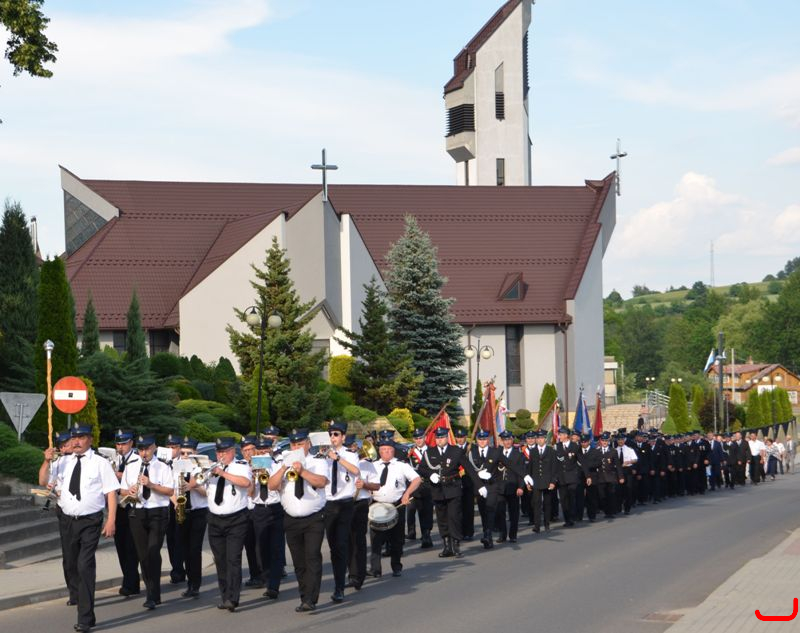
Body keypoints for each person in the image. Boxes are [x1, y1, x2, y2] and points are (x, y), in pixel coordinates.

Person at [57, 423, 119, 632]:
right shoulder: (63, 462)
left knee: (85, 565)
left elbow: (111, 493)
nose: (76, 441)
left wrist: (111, 520)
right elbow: (43, 480)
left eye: (81, 437)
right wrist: (47, 461)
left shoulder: (100, 463)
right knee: (71, 564)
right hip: (68, 520)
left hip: (90, 521)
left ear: (90, 440)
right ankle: (82, 605)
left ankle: (85, 617)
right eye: (74, 438)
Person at [268, 428, 329, 613]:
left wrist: (301, 471)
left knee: (312, 556)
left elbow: (321, 482)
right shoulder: (282, 463)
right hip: (291, 519)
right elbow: (271, 485)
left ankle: (311, 599)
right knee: (298, 561)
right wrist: (283, 468)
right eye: (294, 444)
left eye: (300, 444)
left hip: (314, 518)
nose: (296, 448)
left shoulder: (317, 461)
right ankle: (304, 596)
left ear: (308, 444)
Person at [121, 434, 174, 610]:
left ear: (154, 448)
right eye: (141, 449)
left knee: (153, 551)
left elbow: (169, 491)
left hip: (157, 512)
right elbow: (121, 490)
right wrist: (129, 490)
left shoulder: (163, 466)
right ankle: (151, 592)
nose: (144, 453)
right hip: (137, 511)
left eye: (147, 449)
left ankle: (153, 594)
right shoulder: (131, 466)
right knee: (143, 554)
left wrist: (151, 485)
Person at [206, 436, 253, 612]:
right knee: (220, 560)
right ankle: (225, 595)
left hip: (236, 519)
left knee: (233, 559)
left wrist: (222, 473)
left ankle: (233, 598)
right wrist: (202, 474)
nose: (221, 455)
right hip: (214, 519)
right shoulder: (211, 468)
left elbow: (246, 483)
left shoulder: (241, 466)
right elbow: (195, 484)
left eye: (225, 452)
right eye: (219, 452)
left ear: (233, 451)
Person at [418, 427, 479, 558]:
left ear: (447, 437)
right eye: (438, 438)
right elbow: (421, 468)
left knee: (454, 517)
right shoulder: (429, 452)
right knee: (442, 519)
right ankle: (447, 546)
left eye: (442, 437)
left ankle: (456, 545)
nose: (440, 440)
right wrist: (430, 474)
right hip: (437, 490)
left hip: (453, 488)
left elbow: (469, 469)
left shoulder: (456, 451)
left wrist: (480, 486)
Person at [368, 438, 421, 577]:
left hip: (397, 505)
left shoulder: (401, 465)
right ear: (379, 451)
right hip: (377, 505)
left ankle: (396, 566)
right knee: (375, 539)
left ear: (393, 451)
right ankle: (375, 569)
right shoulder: (372, 465)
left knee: (396, 538)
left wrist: (407, 494)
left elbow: (416, 479)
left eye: (389, 449)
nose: (386, 452)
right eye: (383, 449)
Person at [323, 420, 361, 603]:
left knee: (341, 545)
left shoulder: (350, 454)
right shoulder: (322, 455)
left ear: (343, 437)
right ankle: (340, 576)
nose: (333, 437)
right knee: (333, 547)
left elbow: (355, 471)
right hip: (327, 504)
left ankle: (339, 587)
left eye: (336, 434)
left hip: (345, 504)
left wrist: (337, 458)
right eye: (330, 434)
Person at [40, 431, 78, 605]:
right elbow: (43, 481)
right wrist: (46, 461)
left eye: (66, 444)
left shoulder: (89, 461)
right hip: (64, 512)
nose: (63, 449)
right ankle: (74, 593)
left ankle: (84, 590)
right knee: (68, 556)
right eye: (61, 446)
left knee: (83, 558)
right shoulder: (58, 463)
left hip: (84, 513)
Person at [249, 437, 284, 601]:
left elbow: (279, 486)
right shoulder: (251, 467)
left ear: (270, 450)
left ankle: (273, 586)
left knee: (276, 548)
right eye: (260, 450)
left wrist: (268, 473)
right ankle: (266, 576)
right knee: (261, 548)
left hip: (276, 508)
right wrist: (252, 477)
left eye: (265, 449)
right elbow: (249, 493)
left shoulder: (277, 465)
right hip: (259, 509)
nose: (263, 452)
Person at [175, 437, 208, 598]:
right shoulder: (176, 467)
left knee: (194, 549)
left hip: (198, 512)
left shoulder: (201, 468)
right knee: (184, 549)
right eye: (183, 453)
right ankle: (190, 582)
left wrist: (192, 486)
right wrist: (176, 502)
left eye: (189, 453)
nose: (186, 456)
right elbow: (171, 490)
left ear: (195, 452)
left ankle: (195, 584)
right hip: (182, 511)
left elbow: (207, 493)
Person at [111, 428, 141, 597]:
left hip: (132, 506)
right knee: (120, 545)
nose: (120, 447)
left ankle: (131, 583)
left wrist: (119, 475)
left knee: (131, 546)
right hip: (117, 506)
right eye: (118, 444)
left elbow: (137, 483)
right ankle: (129, 579)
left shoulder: (137, 460)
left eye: (123, 443)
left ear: (131, 443)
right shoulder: (114, 460)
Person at [347, 435, 377, 590]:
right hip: (344, 505)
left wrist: (364, 484)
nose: (351, 450)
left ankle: (359, 575)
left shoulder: (367, 464)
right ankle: (352, 574)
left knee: (358, 540)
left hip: (360, 504)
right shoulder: (339, 463)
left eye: (352, 447)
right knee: (346, 541)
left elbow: (377, 485)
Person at [240, 434, 264, 588]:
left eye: (251, 449)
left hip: (259, 507)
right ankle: (254, 574)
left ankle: (264, 574)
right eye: (245, 450)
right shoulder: (240, 466)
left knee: (260, 544)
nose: (248, 453)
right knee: (249, 544)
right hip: (245, 509)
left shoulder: (262, 463)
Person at [163, 434, 185, 586]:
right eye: (169, 447)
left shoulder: (184, 463)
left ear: (179, 448)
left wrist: (178, 501)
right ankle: (176, 569)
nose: (171, 450)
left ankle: (181, 569)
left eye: (174, 447)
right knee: (170, 539)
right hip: (167, 503)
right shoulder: (161, 463)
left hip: (181, 502)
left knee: (180, 538)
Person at [495, 430, 525, 542]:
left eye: (509, 439)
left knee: (514, 513)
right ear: (502, 441)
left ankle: (513, 535)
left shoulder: (519, 455)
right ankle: (502, 534)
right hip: (500, 487)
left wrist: (521, 487)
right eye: (505, 440)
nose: (507, 442)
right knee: (500, 512)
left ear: (512, 440)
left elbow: (522, 472)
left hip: (513, 487)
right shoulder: (497, 453)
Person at [406, 428, 434, 548]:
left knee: (427, 511)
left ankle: (427, 533)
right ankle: (419, 533)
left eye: (420, 438)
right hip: (416, 485)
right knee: (417, 510)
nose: (418, 440)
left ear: (425, 438)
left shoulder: (432, 451)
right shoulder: (410, 453)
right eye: (416, 438)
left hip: (429, 484)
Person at [526, 430, 557, 532]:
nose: (540, 440)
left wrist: (553, 481)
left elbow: (554, 468)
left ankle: (547, 524)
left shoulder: (551, 451)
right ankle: (537, 526)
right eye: (538, 438)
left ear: (545, 439)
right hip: (536, 481)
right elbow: (530, 468)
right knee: (536, 504)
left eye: (542, 438)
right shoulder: (533, 451)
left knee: (547, 504)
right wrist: (528, 482)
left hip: (547, 481)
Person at [453, 427, 475, 541]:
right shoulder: (452, 449)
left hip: (469, 481)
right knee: (457, 509)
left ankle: (469, 532)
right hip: (456, 482)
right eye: (458, 437)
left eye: (462, 437)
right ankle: (459, 532)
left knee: (468, 508)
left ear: (466, 437)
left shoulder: (472, 448)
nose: (460, 439)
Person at [555, 426, 581, 526]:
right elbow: (555, 462)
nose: (559, 436)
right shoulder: (557, 446)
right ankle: (567, 519)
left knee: (571, 497)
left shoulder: (575, 446)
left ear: (566, 435)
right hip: (561, 477)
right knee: (563, 499)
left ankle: (572, 517)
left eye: (560, 435)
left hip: (572, 477)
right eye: (559, 435)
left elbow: (581, 460)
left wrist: (588, 476)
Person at [596, 432, 624, 518]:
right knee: (602, 495)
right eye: (603, 440)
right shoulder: (597, 451)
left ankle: (610, 512)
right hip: (600, 477)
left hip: (610, 477)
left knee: (611, 494)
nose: (604, 442)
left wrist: (621, 477)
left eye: (606, 441)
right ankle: (606, 509)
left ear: (608, 441)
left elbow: (618, 465)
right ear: (600, 441)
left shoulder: (613, 451)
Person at [577, 433, 600, 522]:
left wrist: (586, 465)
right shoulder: (578, 451)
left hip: (591, 475)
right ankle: (579, 516)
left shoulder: (595, 451)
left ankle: (592, 515)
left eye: (585, 442)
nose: (583, 443)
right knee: (579, 497)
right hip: (580, 476)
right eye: (582, 442)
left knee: (591, 497)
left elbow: (598, 463)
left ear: (589, 441)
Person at [614, 432, 638, 515]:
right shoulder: (614, 450)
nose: (620, 441)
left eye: (622, 439)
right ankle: (618, 507)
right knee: (618, 490)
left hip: (627, 471)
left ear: (624, 440)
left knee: (628, 490)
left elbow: (635, 459)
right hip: (618, 471)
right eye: (618, 440)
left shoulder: (629, 449)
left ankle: (627, 508)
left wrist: (629, 462)